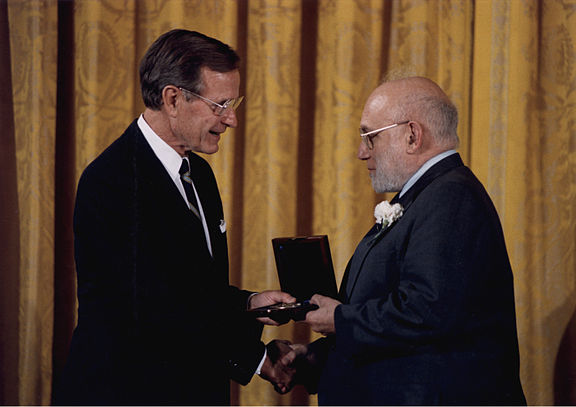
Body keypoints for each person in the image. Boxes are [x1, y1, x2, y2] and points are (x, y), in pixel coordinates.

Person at [54, 29, 295, 405]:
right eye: (219, 105)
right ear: (172, 99)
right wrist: (258, 360)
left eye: (234, 103)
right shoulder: (112, 180)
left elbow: (192, 288)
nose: (231, 119)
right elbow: (150, 312)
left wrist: (249, 304)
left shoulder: (198, 173)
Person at [282, 76, 527, 405]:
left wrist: (339, 320)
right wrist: (315, 358)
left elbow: (425, 312)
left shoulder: (451, 196)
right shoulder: (428, 196)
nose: (360, 152)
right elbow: (402, 322)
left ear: (412, 135)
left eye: (370, 137)